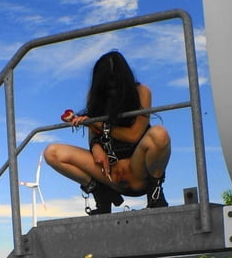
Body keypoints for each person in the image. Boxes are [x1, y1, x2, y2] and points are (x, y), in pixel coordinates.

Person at [44, 50, 170, 214]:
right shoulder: (96, 96)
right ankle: (100, 192)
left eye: (115, 85)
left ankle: (155, 193)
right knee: (52, 152)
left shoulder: (142, 92)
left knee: (159, 134)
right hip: (109, 173)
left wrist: (97, 124)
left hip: (137, 170)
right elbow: (94, 137)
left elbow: (134, 135)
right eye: (106, 87)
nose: (111, 91)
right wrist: (96, 147)